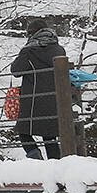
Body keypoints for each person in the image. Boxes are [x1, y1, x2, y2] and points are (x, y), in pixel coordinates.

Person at [11, 19, 66, 160]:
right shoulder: (58, 49)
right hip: (55, 99)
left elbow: (16, 70)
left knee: (23, 131)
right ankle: (56, 166)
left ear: (31, 34)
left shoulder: (30, 50)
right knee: (49, 136)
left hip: (33, 100)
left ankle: (36, 159)